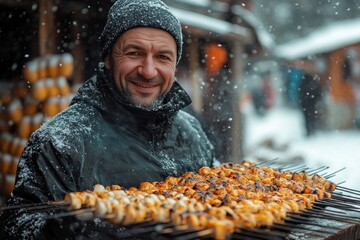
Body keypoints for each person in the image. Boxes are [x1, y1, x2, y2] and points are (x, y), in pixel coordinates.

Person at [0, 0, 215, 239]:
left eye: (163, 57)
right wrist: (60, 230)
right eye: (134, 53)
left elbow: (220, 200)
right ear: (108, 58)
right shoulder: (59, 141)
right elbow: (16, 226)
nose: (148, 70)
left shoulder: (191, 132)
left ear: (175, 64)